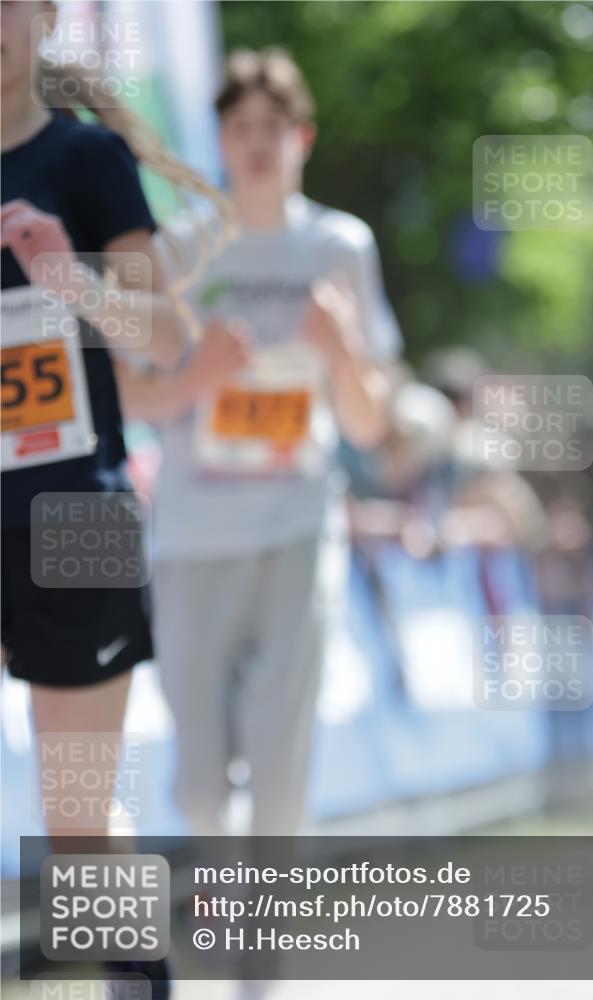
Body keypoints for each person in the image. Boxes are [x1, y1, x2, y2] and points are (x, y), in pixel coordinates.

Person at [1, 1, 240, 993]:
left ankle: (137, 980)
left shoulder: (88, 160)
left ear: (45, 15)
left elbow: (166, 341)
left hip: (78, 520)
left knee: (78, 821)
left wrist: (70, 279)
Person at [115, 47, 402, 842]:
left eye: (273, 126)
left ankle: (260, 941)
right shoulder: (176, 252)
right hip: (193, 535)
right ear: (218, 140)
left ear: (302, 138)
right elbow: (126, 393)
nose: (257, 143)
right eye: (240, 126)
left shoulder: (341, 247)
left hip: (297, 529)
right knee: (200, 783)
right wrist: (196, 379)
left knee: (281, 761)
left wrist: (342, 351)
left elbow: (371, 425)